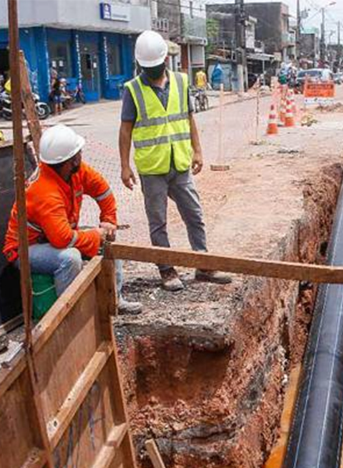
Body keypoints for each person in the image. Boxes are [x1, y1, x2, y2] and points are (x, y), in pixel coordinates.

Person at [119, 30, 231, 292]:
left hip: (179, 163)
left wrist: (198, 151)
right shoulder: (132, 90)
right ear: (139, 65)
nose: (151, 71)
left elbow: (189, 118)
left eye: (155, 66)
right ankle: (167, 270)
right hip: (152, 167)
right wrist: (125, 166)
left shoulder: (181, 82)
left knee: (194, 215)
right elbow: (125, 130)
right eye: (146, 67)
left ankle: (202, 264)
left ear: (165, 61)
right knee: (158, 222)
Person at [3, 124, 142, 314]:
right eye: (78, 153)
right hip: (26, 249)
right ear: (71, 160)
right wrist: (96, 234)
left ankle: (114, 301)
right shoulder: (45, 191)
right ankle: (70, 316)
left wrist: (109, 221)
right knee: (69, 259)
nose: (81, 155)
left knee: (108, 245)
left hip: (55, 237)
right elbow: (64, 240)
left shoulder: (76, 171)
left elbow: (103, 192)